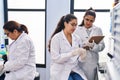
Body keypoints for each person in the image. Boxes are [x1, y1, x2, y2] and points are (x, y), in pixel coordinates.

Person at [48, 14, 88, 80]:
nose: (74, 27)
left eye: (76, 25)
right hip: (61, 70)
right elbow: (56, 58)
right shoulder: (56, 38)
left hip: (74, 69)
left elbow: (79, 60)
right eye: (72, 24)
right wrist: (71, 54)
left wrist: (82, 56)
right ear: (65, 24)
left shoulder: (77, 38)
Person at [74, 7, 105, 80]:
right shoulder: (77, 30)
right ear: (83, 18)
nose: (88, 22)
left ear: (94, 20)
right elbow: (72, 46)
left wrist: (93, 46)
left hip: (92, 63)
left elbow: (102, 46)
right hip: (79, 63)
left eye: (91, 21)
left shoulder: (98, 30)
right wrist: (81, 46)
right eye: (87, 19)